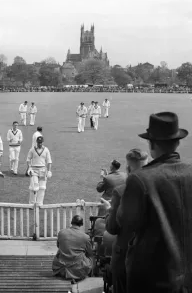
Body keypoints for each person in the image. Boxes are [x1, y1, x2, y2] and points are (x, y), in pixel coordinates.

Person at [117, 112, 192, 293]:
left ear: (151, 144)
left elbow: (124, 223)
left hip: (151, 275)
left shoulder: (140, 179)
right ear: (177, 142)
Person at [102, 149, 148, 293]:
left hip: (125, 254)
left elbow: (112, 228)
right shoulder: (157, 189)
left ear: (128, 168)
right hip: (150, 255)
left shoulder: (121, 192)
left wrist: (109, 210)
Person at [52, 215, 94, 280]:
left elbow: (58, 246)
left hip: (61, 267)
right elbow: (90, 252)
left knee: (60, 250)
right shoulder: (85, 237)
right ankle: (93, 273)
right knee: (91, 256)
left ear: (71, 222)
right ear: (81, 224)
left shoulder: (61, 232)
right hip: (77, 270)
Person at [26, 136, 52, 205]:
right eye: (38, 142)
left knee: (42, 188)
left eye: (41, 143)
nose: (40, 144)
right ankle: (31, 203)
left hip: (43, 170)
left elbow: (49, 161)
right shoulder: (32, 149)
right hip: (34, 170)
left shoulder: (46, 150)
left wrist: (49, 171)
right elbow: (28, 160)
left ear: (42, 142)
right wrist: (29, 168)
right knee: (33, 187)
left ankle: (39, 203)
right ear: (36, 142)